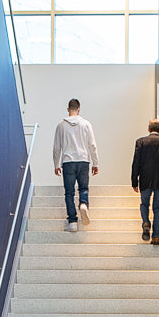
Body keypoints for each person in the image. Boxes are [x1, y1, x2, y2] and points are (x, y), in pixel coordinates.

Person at [52, 98, 98, 232]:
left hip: (68, 162)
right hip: (83, 161)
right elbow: (92, 145)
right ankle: (83, 204)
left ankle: (72, 222)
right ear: (79, 109)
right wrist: (96, 162)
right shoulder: (86, 124)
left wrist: (56, 164)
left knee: (69, 193)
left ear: (68, 110)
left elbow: (56, 148)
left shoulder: (61, 126)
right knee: (83, 188)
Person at [131, 118, 159, 244]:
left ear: (148, 129)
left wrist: (134, 181)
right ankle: (156, 237)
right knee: (158, 208)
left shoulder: (141, 142)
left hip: (145, 179)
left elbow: (136, 163)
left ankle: (146, 221)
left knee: (144, 204)